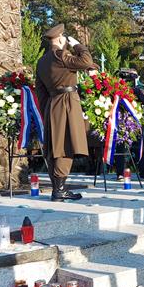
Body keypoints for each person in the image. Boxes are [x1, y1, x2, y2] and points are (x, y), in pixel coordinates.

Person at [35, 23, 98, 201]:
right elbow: (85, 61)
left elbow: (40, 91)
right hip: (68, 102)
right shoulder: (61, 55)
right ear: (62, 39)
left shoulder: (42, 61)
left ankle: (58, 188)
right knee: (66, 145)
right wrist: (78, 45)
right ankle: (59, 190)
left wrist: (48, 108)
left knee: (55, 147)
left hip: (52, 104)